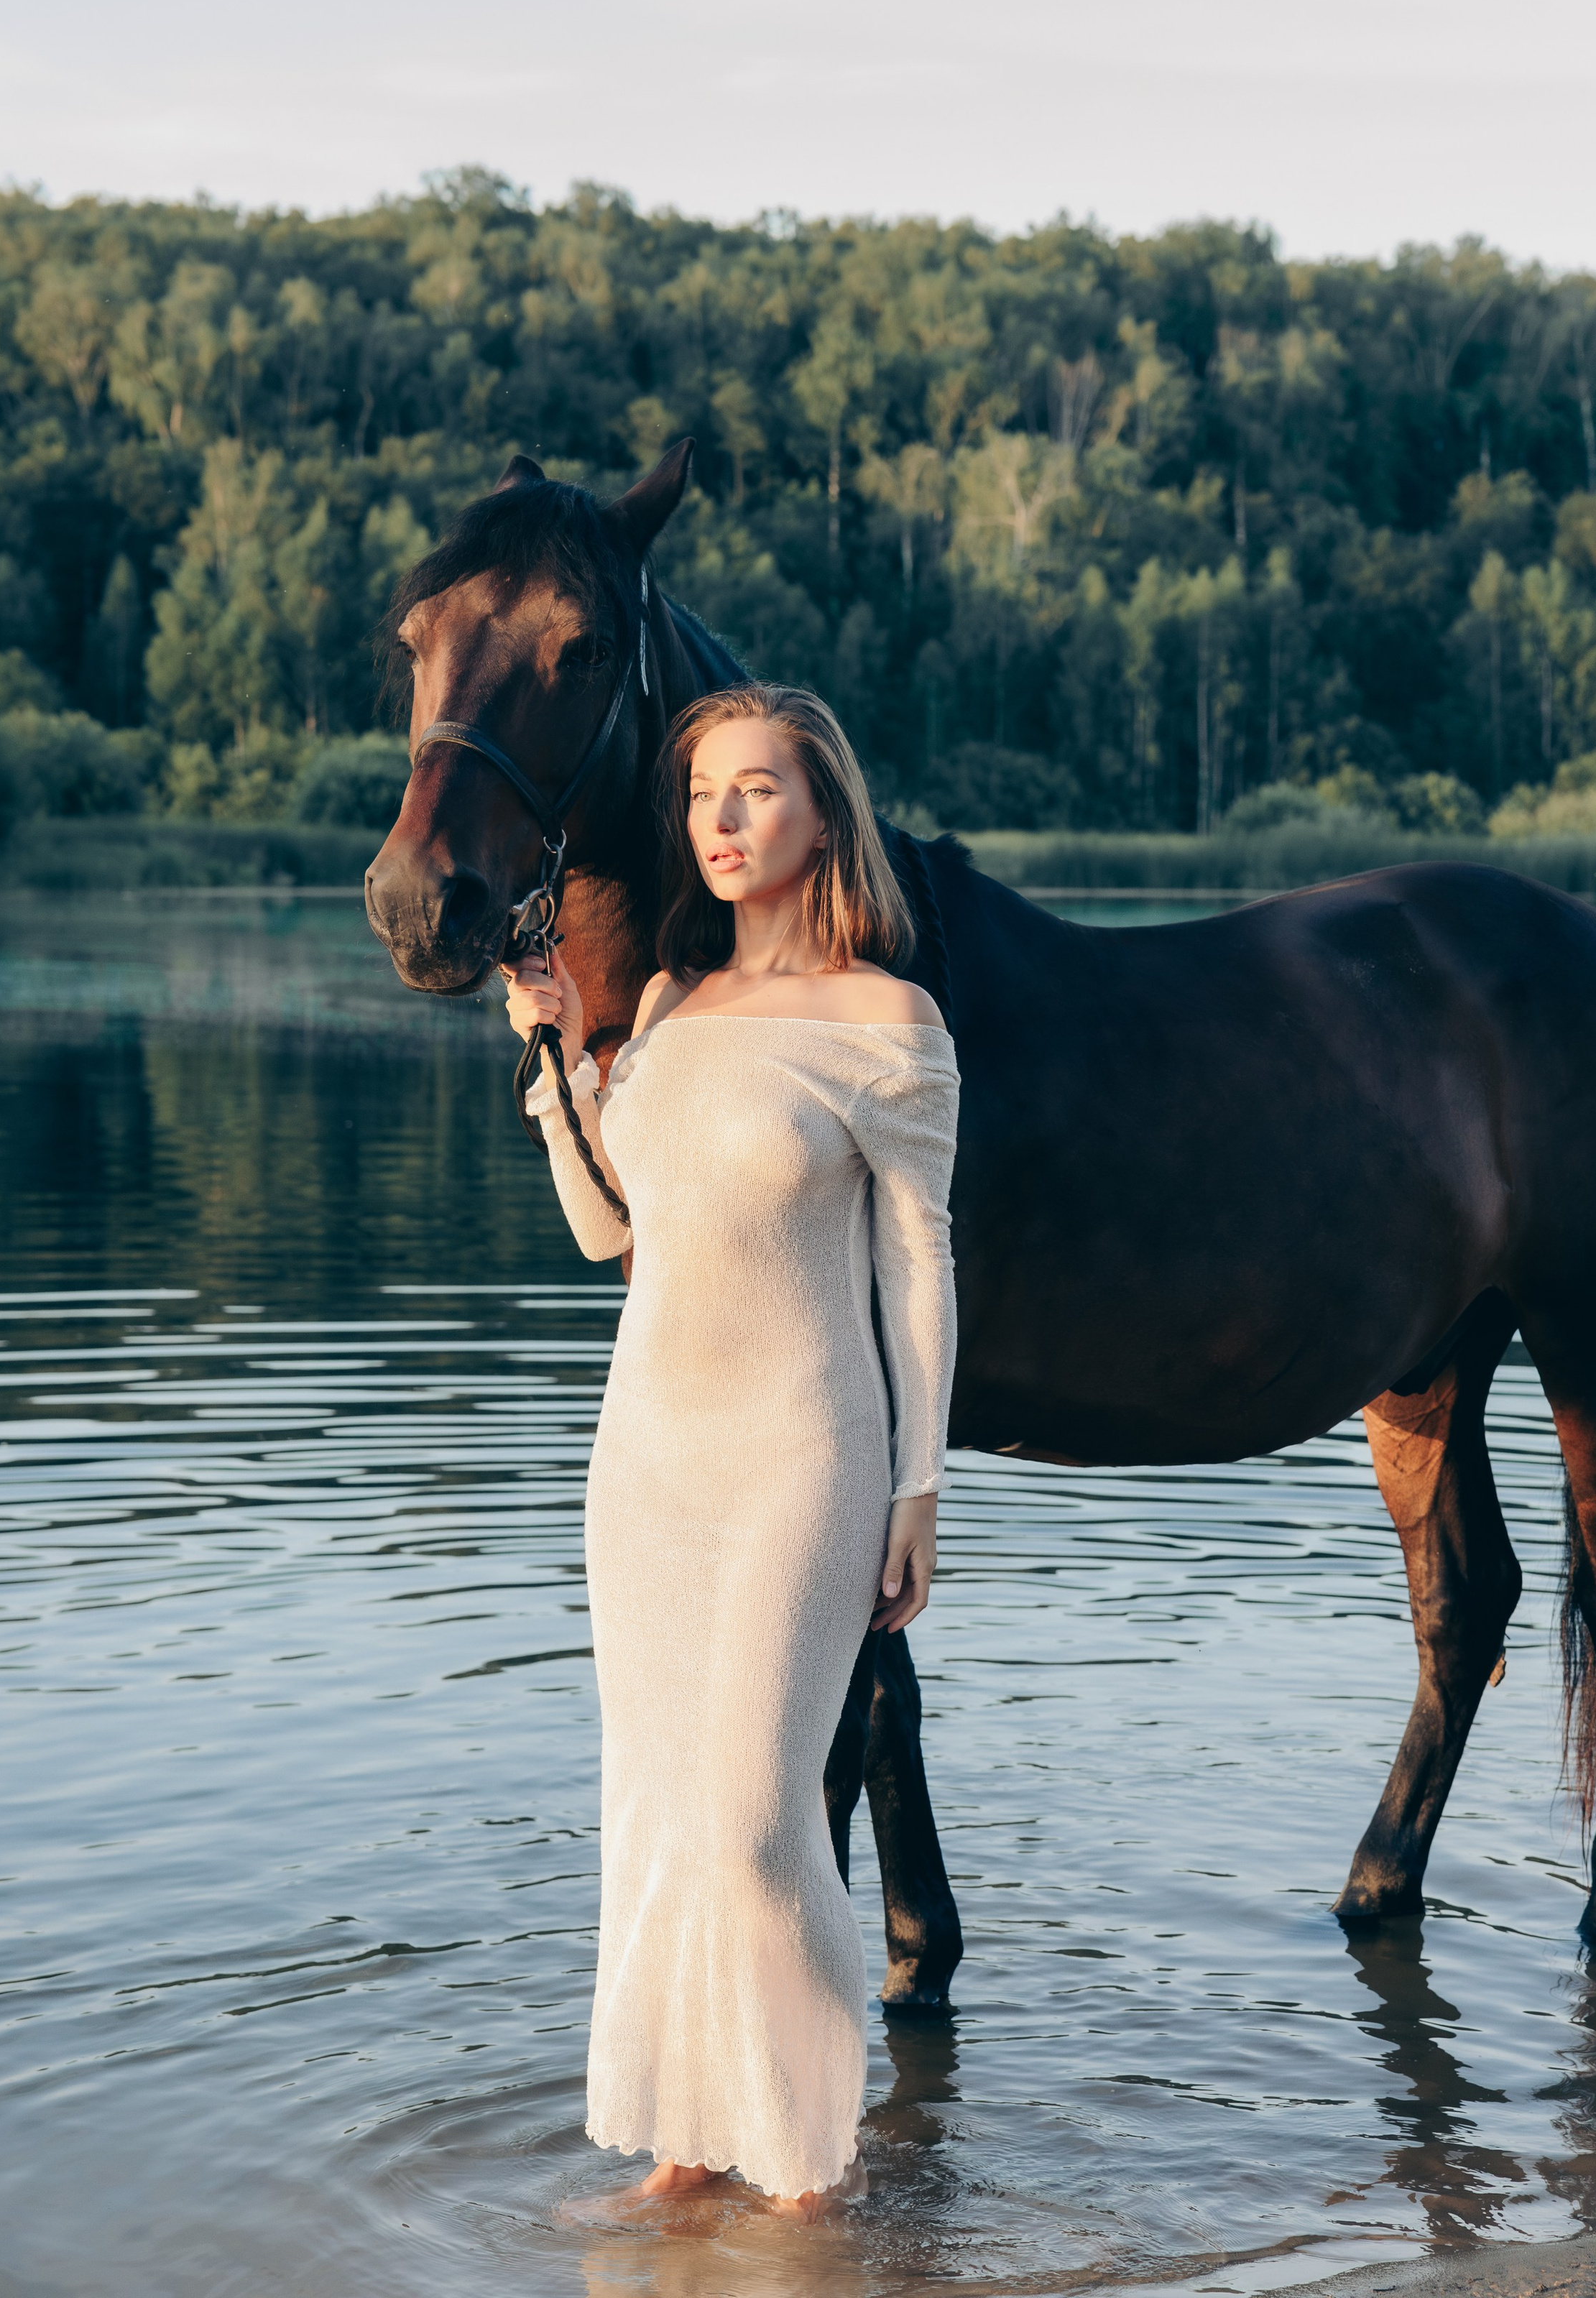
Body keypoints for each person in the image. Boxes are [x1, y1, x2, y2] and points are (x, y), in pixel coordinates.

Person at [502, 681, 958, 2220]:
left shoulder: (886, 1023)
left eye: (755, 788)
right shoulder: (675, 1008)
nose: (721, 819)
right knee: (661, 1817)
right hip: (646, 1469)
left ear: (822, 807)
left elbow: (919, 1272)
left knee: (765, 1829)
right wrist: (567, 1058)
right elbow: (608, 1233)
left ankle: (813, 2161)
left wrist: (918, 1488)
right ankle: (690, 2139)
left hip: (800, 1460)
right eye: (702, 791)